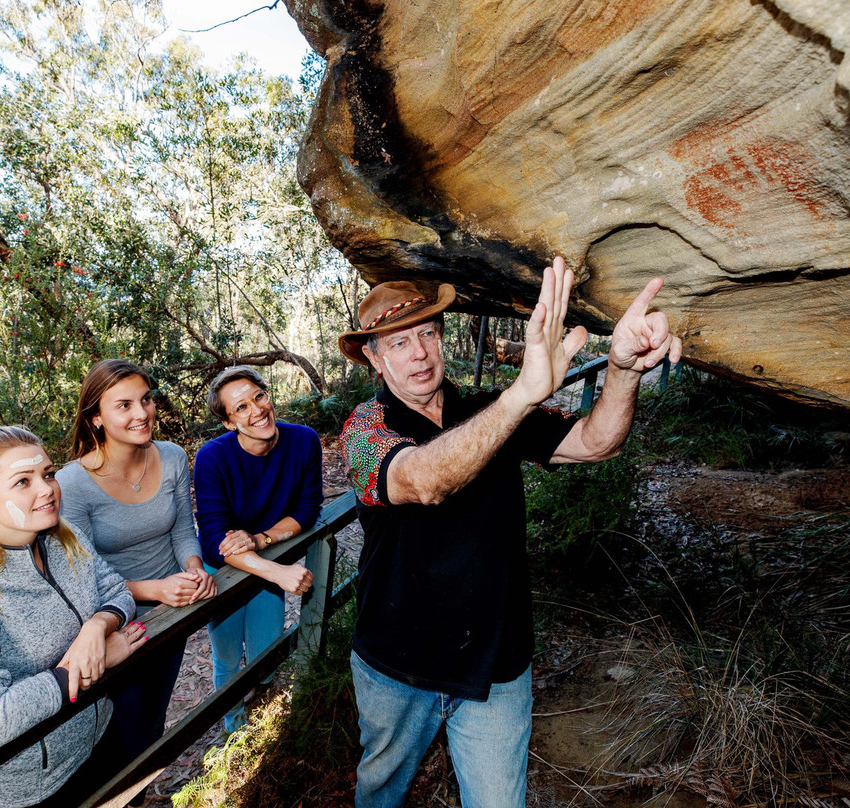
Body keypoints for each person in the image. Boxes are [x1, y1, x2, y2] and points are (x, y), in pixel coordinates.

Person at [338, 259, 682, 807]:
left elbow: (597, 442)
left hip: (495, 668)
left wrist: (622, 368)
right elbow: (423, 480)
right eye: (398, 343)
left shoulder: (486, 408)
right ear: (376, 361)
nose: (419, 353)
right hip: (396, 669)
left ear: (442, 338)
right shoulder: (362, 431)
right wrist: (521, 395)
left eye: (427, 333)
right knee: (381, 796)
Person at [0, 425, 146, 808]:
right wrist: (88, 668)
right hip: (33, 789)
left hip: (100, 739)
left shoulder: (64, 539)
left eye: (48, 474)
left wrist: (97, 627)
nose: (47, 489)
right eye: (23, 481)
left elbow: (117, 590)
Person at [56, 359, 216, 800]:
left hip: (171, 614)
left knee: (150, 724)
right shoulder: (72, 483)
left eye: (145, 399)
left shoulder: (173, 456)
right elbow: (82, 576)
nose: (141, 413)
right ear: (95, 417)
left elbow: (185, 528)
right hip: (113, 625)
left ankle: (140, 796)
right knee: (117, 733)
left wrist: (193, 566)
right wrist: (152, 589)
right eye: (123, 405)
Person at [194, 365, 323, 732]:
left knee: (268, 649)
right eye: (241, 408)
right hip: (225, 567)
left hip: (265, 554)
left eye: (259, 397)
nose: (257, 411)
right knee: (229, 656)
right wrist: (278, 573)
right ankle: (234, 729)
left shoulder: (303, 440)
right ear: (228, 423)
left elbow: (306, 509)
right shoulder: (212, 458)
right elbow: (216, 540)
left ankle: (263, 710)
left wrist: (261, 540)